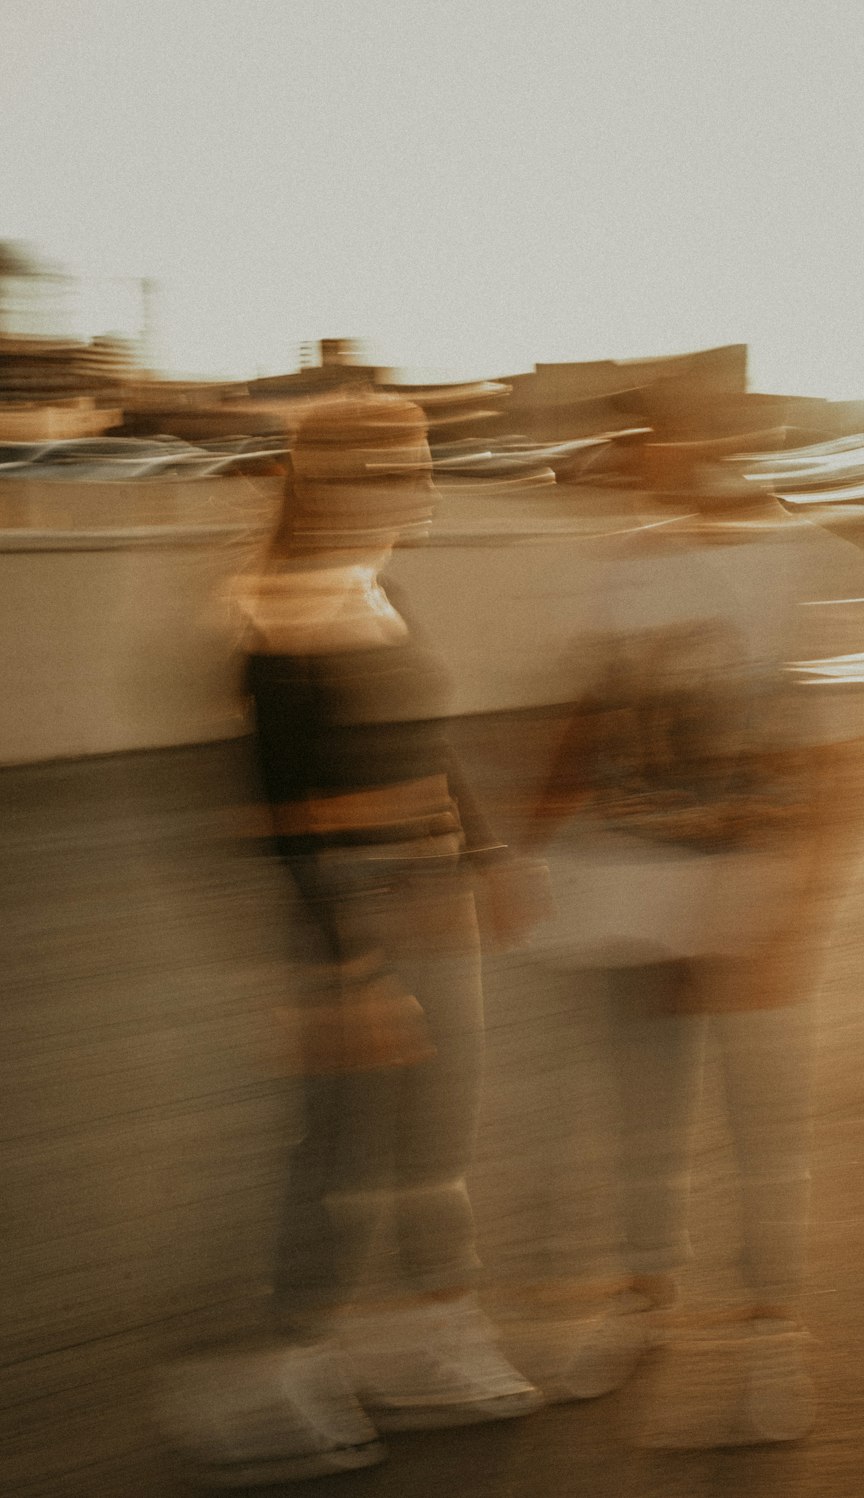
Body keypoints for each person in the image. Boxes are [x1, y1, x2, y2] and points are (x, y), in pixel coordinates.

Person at [158, 390, 543, 1488]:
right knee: (335, 1148)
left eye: (422, 465)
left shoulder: (379, 589)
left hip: (432, 895)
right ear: (328, 479)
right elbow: (276, 819)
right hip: (355, 908)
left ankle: (434, 1328)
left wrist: (486, 856)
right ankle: (279, 1364)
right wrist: (345, 973)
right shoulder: (271, 612)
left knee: (437, 1134)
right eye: (400, 468)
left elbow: (428, 742)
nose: (423, 487)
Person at [520, 452, 864, 1442]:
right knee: (643, 1116)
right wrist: (524, 848)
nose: (677, 459)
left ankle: (773, 1342)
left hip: (750, 895)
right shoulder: (623, 562)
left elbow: (851, 753)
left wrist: (800, 917)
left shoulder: (823, 563)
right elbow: (588, 717)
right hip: (631, 888)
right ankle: (644, 1300)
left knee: (761, 1130)